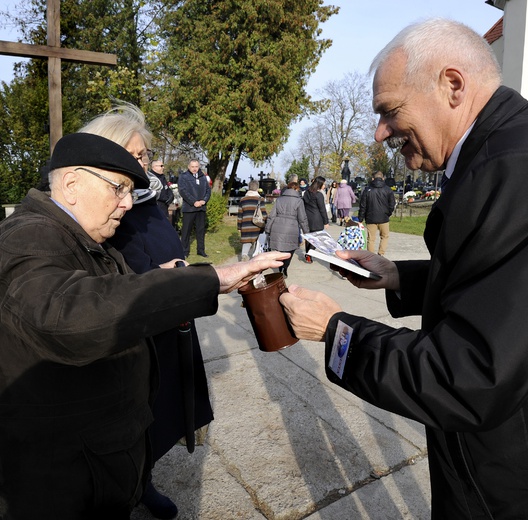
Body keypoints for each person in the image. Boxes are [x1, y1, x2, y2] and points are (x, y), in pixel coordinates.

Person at [279, 17, 528, 519]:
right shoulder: (497, 153)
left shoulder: (509, 170)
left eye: (390, 111)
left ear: (452, 86)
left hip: (503, 479)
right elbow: (496, 288)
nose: (380, 133)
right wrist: (397, 278)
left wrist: (336, 332)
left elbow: (470, 375)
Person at [0, 131, 289, 520]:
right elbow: (67, 317)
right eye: (118, 188)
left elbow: (108, 290)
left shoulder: (80, 232)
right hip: (61, 482)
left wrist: (164, 277)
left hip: (96, 464)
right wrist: (211, 279)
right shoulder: (28, 235)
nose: (126, 202)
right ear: (71, 184)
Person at [79, 103, 211, 519]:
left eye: (145, 155)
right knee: (134, 411)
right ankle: (131, 486)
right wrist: (159, 276)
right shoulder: (100, 207)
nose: (143, 163)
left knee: (165, 409)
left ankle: (145, 477)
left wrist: (177, 273)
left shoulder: (150, 196)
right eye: (133, 155)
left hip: (170, 320)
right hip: (134, 327)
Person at [265, 182, 309, 278]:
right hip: (291, 227)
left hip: (278, 226)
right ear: (296, 189)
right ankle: (285, 267)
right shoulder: (298, 201)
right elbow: (302, 218)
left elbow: (272, 216)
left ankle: (280, 267)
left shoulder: (279, 199)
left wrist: (268, 229)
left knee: (279, 249)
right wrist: (306, 232)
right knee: (290, 249)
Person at [357, 171, 395, 256]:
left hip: (370, 217)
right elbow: (392, 204)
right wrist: (388, 213)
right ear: (383, 178)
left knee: (371, 239)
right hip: (384, 217)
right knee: (384, 236)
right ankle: (381, 254)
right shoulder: (388, 190)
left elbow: (363, 205)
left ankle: (371, 256)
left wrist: (360, 218)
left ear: (373, 179)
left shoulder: (367, 190)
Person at [179, 159, 211, 258]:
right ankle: (184, 251)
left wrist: (204, 201)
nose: (194, 169)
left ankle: (201, 250)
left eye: (196, 166)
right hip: (189, 208)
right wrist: (194, 202)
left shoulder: (203, 177)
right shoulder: (183, 177)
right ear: (189, 167)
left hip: (201, 208)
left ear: (199, 167)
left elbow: (208, 191)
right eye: (192, 166)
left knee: (200, 230)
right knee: (186, 231)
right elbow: (183, 191)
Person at [237, 179, 267, 261]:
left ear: (248, 188)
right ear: (257, 189)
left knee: (247, 241)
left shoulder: (243, 200)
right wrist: (265, 224)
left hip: (245, 225)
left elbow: (240, 215)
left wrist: (239, 227)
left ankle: (244, 255)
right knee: (257, 241)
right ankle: (255, 257)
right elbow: (264, 214)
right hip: (257, 225)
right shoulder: (260, 200)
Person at [302, 176, 329, 264]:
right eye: (323, 184)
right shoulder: (318, 195)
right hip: (316, 218)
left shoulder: (306, 193)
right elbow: (322, 209)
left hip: (307, 218)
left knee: (309, 238)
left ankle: (308, 254)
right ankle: (309, 254)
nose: (324, 186)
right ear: (320, 184)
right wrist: (326, 221)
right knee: (316, 238)